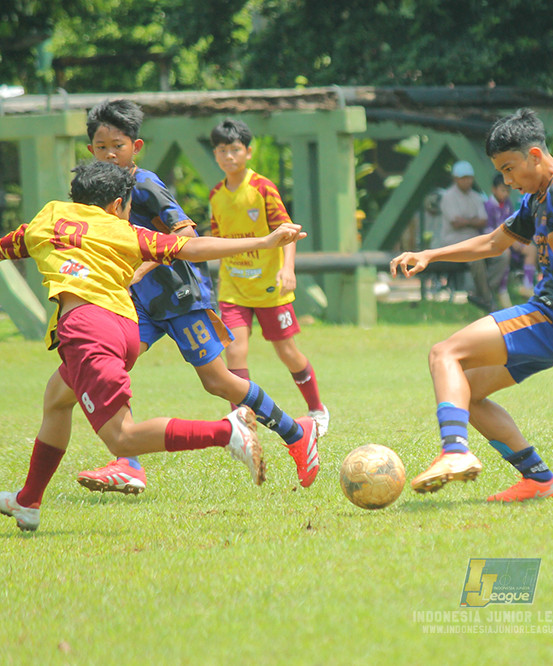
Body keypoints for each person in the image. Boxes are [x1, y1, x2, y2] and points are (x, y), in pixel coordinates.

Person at [0, 161, 306, 531]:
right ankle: (28, 501)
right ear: (117, 204)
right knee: (56, 398)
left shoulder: (46, 218)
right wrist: (265, 241)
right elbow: (191, 247)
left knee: (122, 439)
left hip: (88, 330)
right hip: (124, 327)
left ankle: (228, 433)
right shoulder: (125, 231)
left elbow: (8, 247)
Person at [389, 108, 553, 502]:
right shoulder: (539, 196)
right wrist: (430, 255)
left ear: (535, 156)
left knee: (444, 354)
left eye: (509, 169)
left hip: (551, 318)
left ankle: (454, 452)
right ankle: (540, 479)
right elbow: (494, 243)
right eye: (502, 172)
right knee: (467, 393)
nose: (507, 181)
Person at [77, 100, 321, 493]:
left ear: (135, 147)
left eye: (117, 146)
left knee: (219, 382)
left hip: (179, 295)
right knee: (112, 364)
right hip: (139, 302)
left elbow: (186, 234)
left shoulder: (145, 185)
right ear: (90, 149)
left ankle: (297, 432)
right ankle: (128, 463)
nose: (109, 154)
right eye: (101, 147)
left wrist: (140, 270)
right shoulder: (99, 190)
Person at [208, 118, 328, 481]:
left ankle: (317, 409)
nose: (229, 156)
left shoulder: (262, 188)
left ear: (248, 152)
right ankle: (241, 423)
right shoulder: (216, 196)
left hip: (271, 289)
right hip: (233, 288)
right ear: (215, 154)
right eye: (222, 150)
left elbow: (288, 232)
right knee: (235, 352)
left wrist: (287, 269)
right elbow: (217, 241)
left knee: (287, 352)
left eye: (235, 149)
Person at [439, 160, 491, 309]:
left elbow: (483, 221)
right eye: (463, 178)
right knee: (476, 257)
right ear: (455, 179)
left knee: (503, 256)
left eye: (469, 177)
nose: (467, 181)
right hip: (453, 241)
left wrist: (466, 221)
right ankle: (487, 299)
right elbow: (456, 223)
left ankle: (481, 292)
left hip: (474, 239)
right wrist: (473, 221)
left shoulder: (476, 196)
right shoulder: (448, 196)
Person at [483, 173, 513, 309]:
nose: (505, 194)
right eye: (502, 190)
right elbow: (488, 231)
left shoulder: (508, 204)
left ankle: (528, 284)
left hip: (510, 240)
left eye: (507, 191)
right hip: (493, 243)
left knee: (530, 249)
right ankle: (499, 289)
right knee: (505, 253)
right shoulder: (488, 206)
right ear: (493, 189)